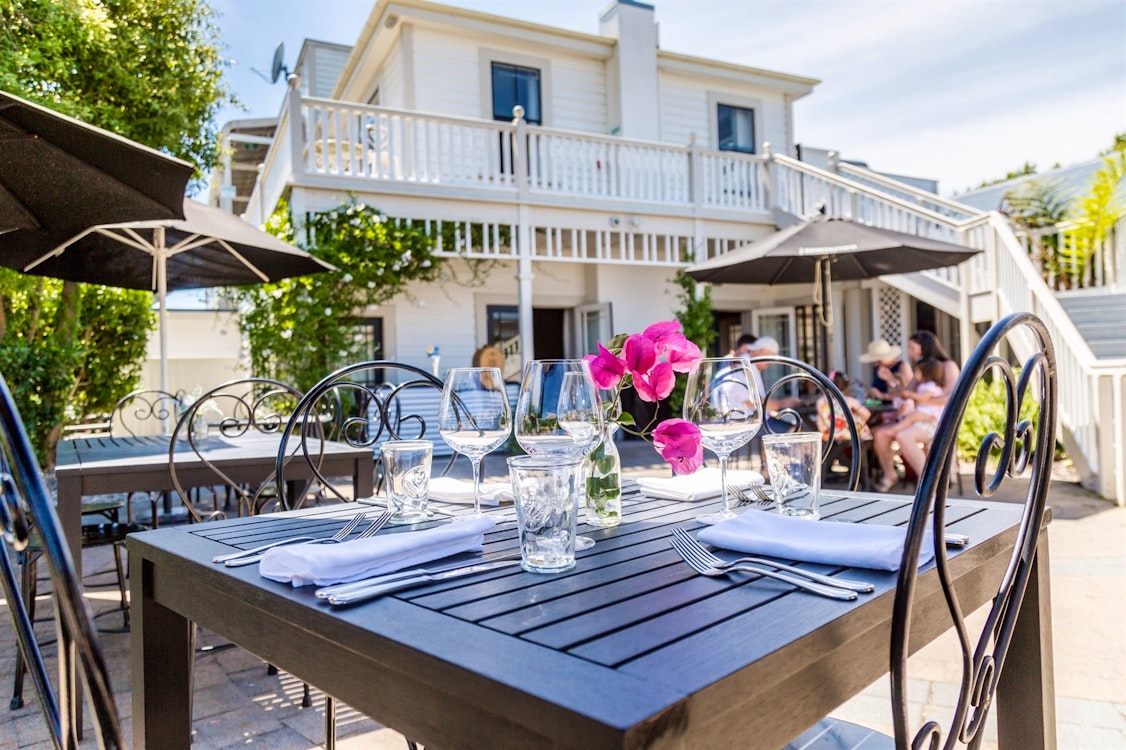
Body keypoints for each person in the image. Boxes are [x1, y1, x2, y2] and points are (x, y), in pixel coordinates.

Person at [872, 331, 961, 492]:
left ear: (924, 347)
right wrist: (890, 379)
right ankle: (890, 474)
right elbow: (906, 393)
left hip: (938, 421)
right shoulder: (923, 368)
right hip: (919, 418)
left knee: (903, 435)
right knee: (880, 434)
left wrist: (923, 400)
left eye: (913, 348)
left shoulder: (947, 366)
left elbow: (953, 397)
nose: (910, 352)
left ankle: (927, 482)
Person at [886, 358, 945, 439]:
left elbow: (924, 397)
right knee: (910, 417)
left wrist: (910, 394)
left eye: (918, 372)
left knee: (912, 417)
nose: (915, 374)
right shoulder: (924, 385)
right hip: (925, 411)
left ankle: (895, 430)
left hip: (931, 413)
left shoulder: (931, 386)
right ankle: (897, 430)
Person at [816, 371, 872, 443]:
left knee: (819, 417)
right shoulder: (849, 401)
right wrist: (859, 423)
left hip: (829, 435)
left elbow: (820, 418)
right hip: (848, 434)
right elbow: (867, 414)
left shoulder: (821, 402)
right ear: (846, 386)